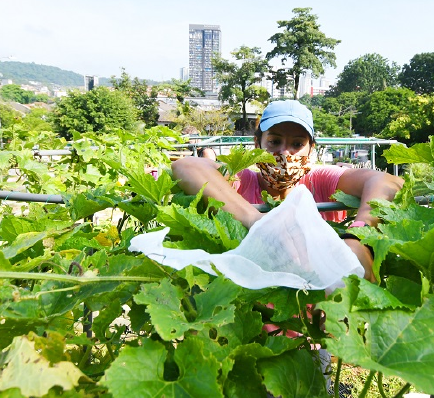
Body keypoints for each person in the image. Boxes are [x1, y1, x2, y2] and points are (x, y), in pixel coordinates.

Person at [171, 100, 404, 281]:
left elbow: (387, 182)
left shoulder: (320, 181)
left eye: (297, 144)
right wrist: (256, 219)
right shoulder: (241, 180)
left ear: (311, 149)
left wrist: (358, 238)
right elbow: (185, 165)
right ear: (257, 145)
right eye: (274, 142)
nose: (285, 153)